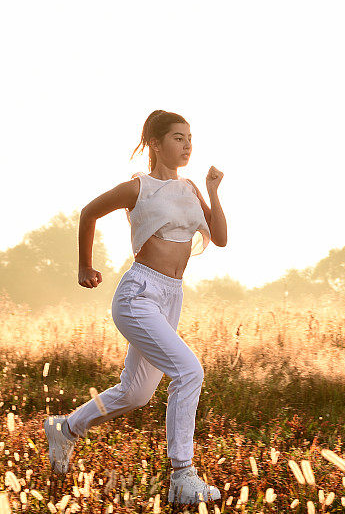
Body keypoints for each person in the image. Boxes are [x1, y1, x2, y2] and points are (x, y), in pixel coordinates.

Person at [43, 110, 227, 505]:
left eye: (190, 137)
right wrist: (83, 266)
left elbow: (221, 238)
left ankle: (66, 428)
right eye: (178, 138)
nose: (187, 144)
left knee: (136, 393)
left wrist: (213, 191)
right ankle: (183, 475)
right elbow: (89, 212)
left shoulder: (192, 189)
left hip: (171, 295)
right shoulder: (138, 188)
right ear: (156, 144)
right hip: (138, 294)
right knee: (189, 371)